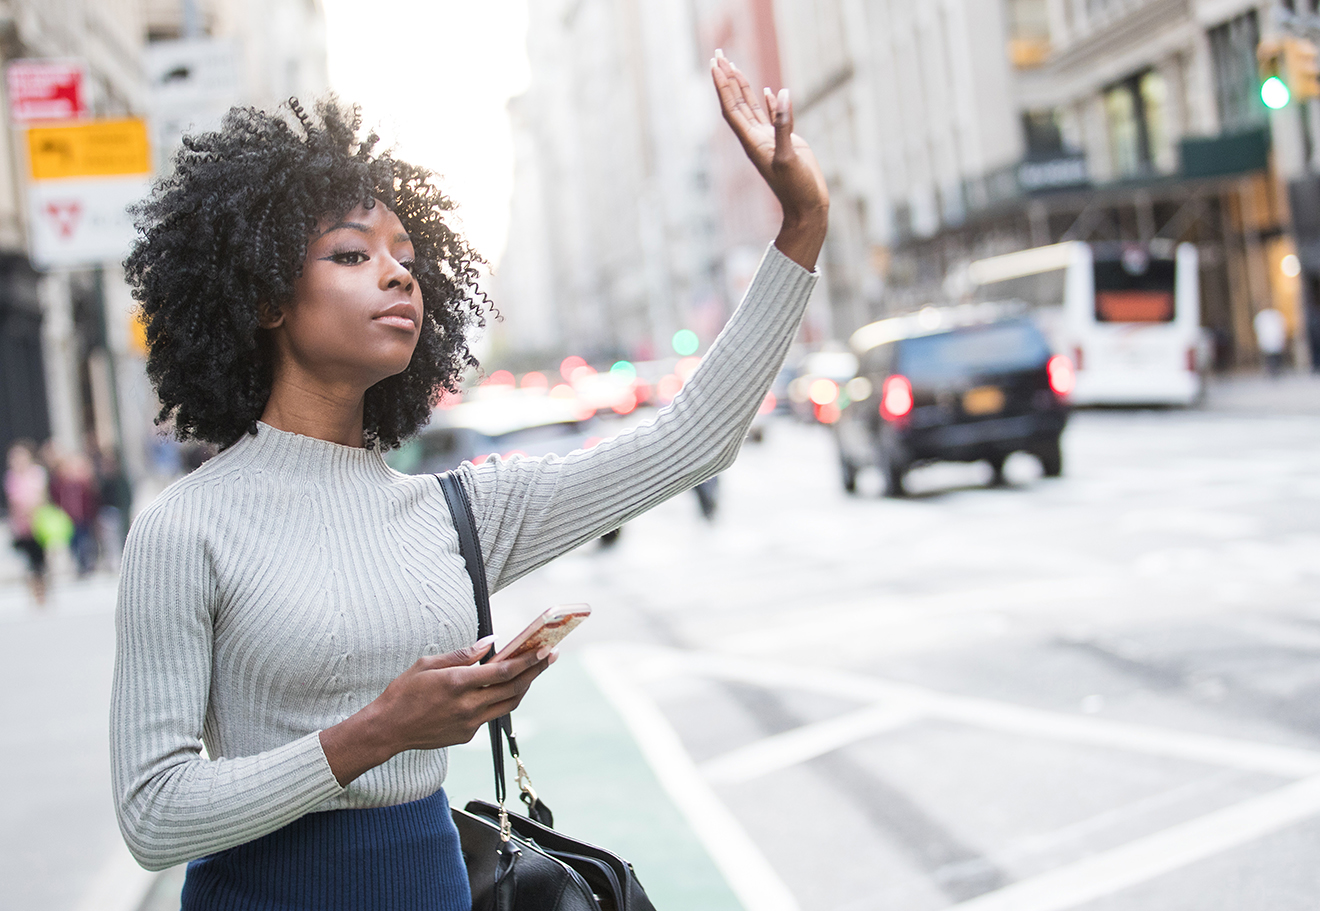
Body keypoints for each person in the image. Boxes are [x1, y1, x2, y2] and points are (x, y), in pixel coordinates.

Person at [110, 51, 826, 911]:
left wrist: (803, 221)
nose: (397, 273)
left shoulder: (454, 513)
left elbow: (695, 439)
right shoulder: (185, 527)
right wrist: (379, 732)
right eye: (351, 252)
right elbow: (153, 816)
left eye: (407, 256)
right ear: (266, 298)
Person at [5, 440, 49, 605]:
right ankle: (33, 593)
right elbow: (11, 502)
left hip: (37, 524)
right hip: (21, 526)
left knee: (40, 561)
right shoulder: (11, 477)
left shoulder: (37, 473)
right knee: (27, 562)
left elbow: (41, 498)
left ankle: (42, 592)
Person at [1253, 305, 1288, 378]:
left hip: (1274, 340)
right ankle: (1271, 370)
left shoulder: (1275, 315)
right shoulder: (1263, 316)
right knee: (1269, 357)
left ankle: (1275, 370)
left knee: (1274, 357)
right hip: (1268, 340)